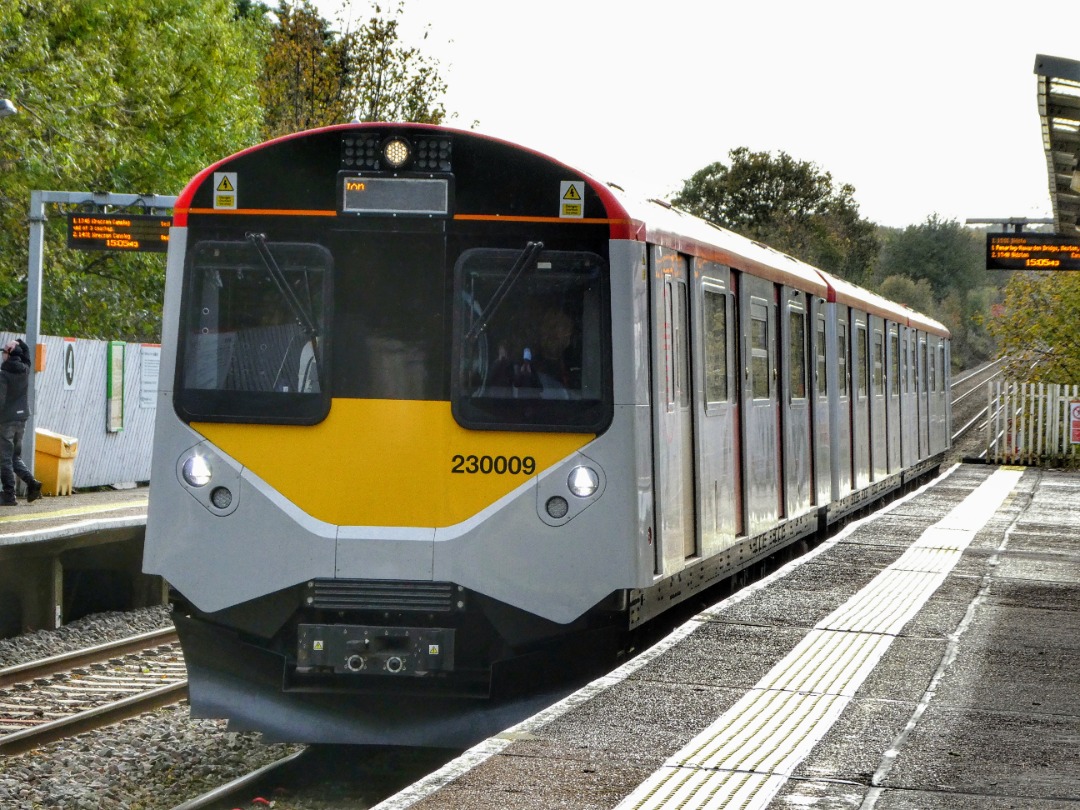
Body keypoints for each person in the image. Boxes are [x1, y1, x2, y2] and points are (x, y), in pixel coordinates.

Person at [0, 338, 43, 506]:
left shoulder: (3, 375)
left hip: (7, 422)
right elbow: (27, 355)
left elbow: (0, 401)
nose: (2, 355)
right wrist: (19, 342)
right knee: (14, 456)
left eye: (4, 352)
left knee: (4, 458)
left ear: (9, 355)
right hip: (22, 418)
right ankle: (32, 483)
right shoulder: (25, 369)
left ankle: (9, 495)